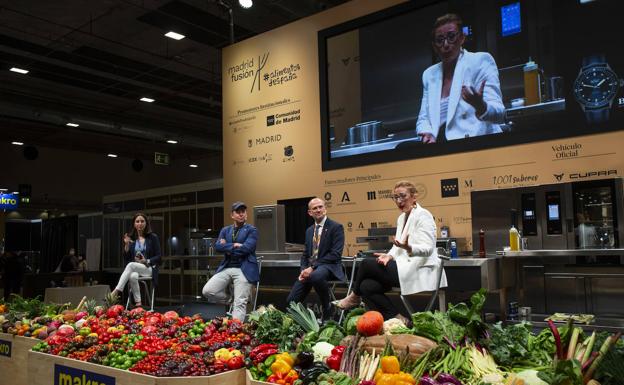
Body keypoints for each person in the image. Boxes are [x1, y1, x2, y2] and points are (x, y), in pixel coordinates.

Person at [334, 180, 447, 322]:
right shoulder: (402, 218)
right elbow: (397, 246)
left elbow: (428, 249)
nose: (399, 201)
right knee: (366, 286)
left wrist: (409, 247)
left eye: (403, 196)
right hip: (404, 267)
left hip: (420, 269)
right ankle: (398, 317)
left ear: (414, 196)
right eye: (395, 197)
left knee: (366, 264)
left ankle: (354, 296)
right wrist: (389, 255)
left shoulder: (424, 215)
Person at [416, 14, 505, 143]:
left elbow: (500, 114)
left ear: (462, 38)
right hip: (441, 148)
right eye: (440, 40)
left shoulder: (480, 61)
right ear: (435, 46)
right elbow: (423, 119)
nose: (446, 44)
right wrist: (428, 133)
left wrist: (481, 106)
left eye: (451, 37)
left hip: (479, 146)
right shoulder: (429, 75)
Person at [286, 197, 345, 321]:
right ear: (310, 213)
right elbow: (305, 254)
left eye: (320, 207)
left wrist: (312, 268)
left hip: (329, 266)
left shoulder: (336, 227)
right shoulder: (309, 231)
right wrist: (303, 270)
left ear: (325, 208)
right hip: (310, 270)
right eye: (315, 208)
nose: (318, 210)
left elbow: (335, 254)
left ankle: (327, 308)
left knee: (316, 276)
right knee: (291, 301)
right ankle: (304, 324)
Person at [202, 202, 259, 321]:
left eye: (243, 212)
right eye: (238, 212)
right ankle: (231, 300)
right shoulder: (225, 230)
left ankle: (235, 332)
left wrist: (227, 247)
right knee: (208, 291)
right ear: (232, 215)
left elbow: (247, 248)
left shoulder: (252, 230)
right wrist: (235, 245)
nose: (241, 214)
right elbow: (218, 247)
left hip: (244, 269)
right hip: (227, 267)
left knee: (240, 304)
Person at [111, 213, 161, 307]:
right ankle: (139, 305)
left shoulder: (153, 237)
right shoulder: (133, 239)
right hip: (137, 268)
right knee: (133, 276)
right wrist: (126, 245)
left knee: (131, 265)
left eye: (142, 221)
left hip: (149, 268)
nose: (140, 223)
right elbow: (126, 258)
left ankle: (116, 292)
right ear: (134, 224)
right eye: (137, 221)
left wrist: (146, 261)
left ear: (146, 223)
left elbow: (159, 257)